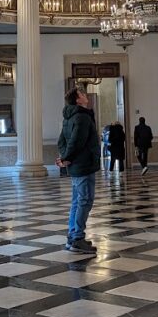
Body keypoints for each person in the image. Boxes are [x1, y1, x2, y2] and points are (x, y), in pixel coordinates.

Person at [56, 87, 101, 253]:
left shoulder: (69, 118)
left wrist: (65, 157)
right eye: (82, 94)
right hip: (84, 165)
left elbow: (62, 141)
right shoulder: (82, 116)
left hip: (76, 165)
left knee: (77, 201)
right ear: (77, 100)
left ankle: (73, 235)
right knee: (85, 201)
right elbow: (76, 141)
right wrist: (66, 157)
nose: (85, 95)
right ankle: (77, 239)